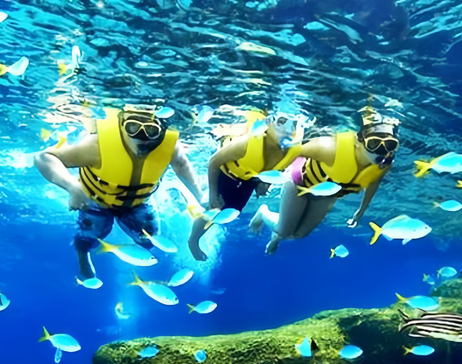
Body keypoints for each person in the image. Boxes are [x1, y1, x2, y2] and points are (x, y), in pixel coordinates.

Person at [34, 106, 203, 279]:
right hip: (96, 199)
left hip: (139, 201)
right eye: (133, 127)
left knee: (150, 240)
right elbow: (43, 157)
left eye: (151, 130)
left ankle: (137, 259)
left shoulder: (170, 146)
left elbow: (182, 165)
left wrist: (201, 197)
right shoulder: (98, 144)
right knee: (87, 237)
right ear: (121, 125)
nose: (142, 137)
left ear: (161, 129)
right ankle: (83, 255)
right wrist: (72, 187)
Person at [250, 108, 399, 254]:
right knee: (284, 231)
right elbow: (292, 150)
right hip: (301, 181)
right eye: (374, 143)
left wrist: (360, 211)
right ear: (359, 142)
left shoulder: (382, 165)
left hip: (327, 192)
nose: (382, 151)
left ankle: (276, 237)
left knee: (299, 235)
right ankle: (263, 213)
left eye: (389, 145)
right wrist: (267, 177)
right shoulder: (330, 149)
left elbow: (373, 183)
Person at [187, 107, 306, 261]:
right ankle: (193, 241)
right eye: (281, 122)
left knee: (233, 211)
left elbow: (277, 168)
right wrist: (213, 195)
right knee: (216, 208)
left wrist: (264, 183)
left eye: (294, 124)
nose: (289, 130)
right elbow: (213, 163)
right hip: (227, 172)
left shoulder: (292, 149)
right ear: (268, 124)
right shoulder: (245, 144)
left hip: (251, 177)